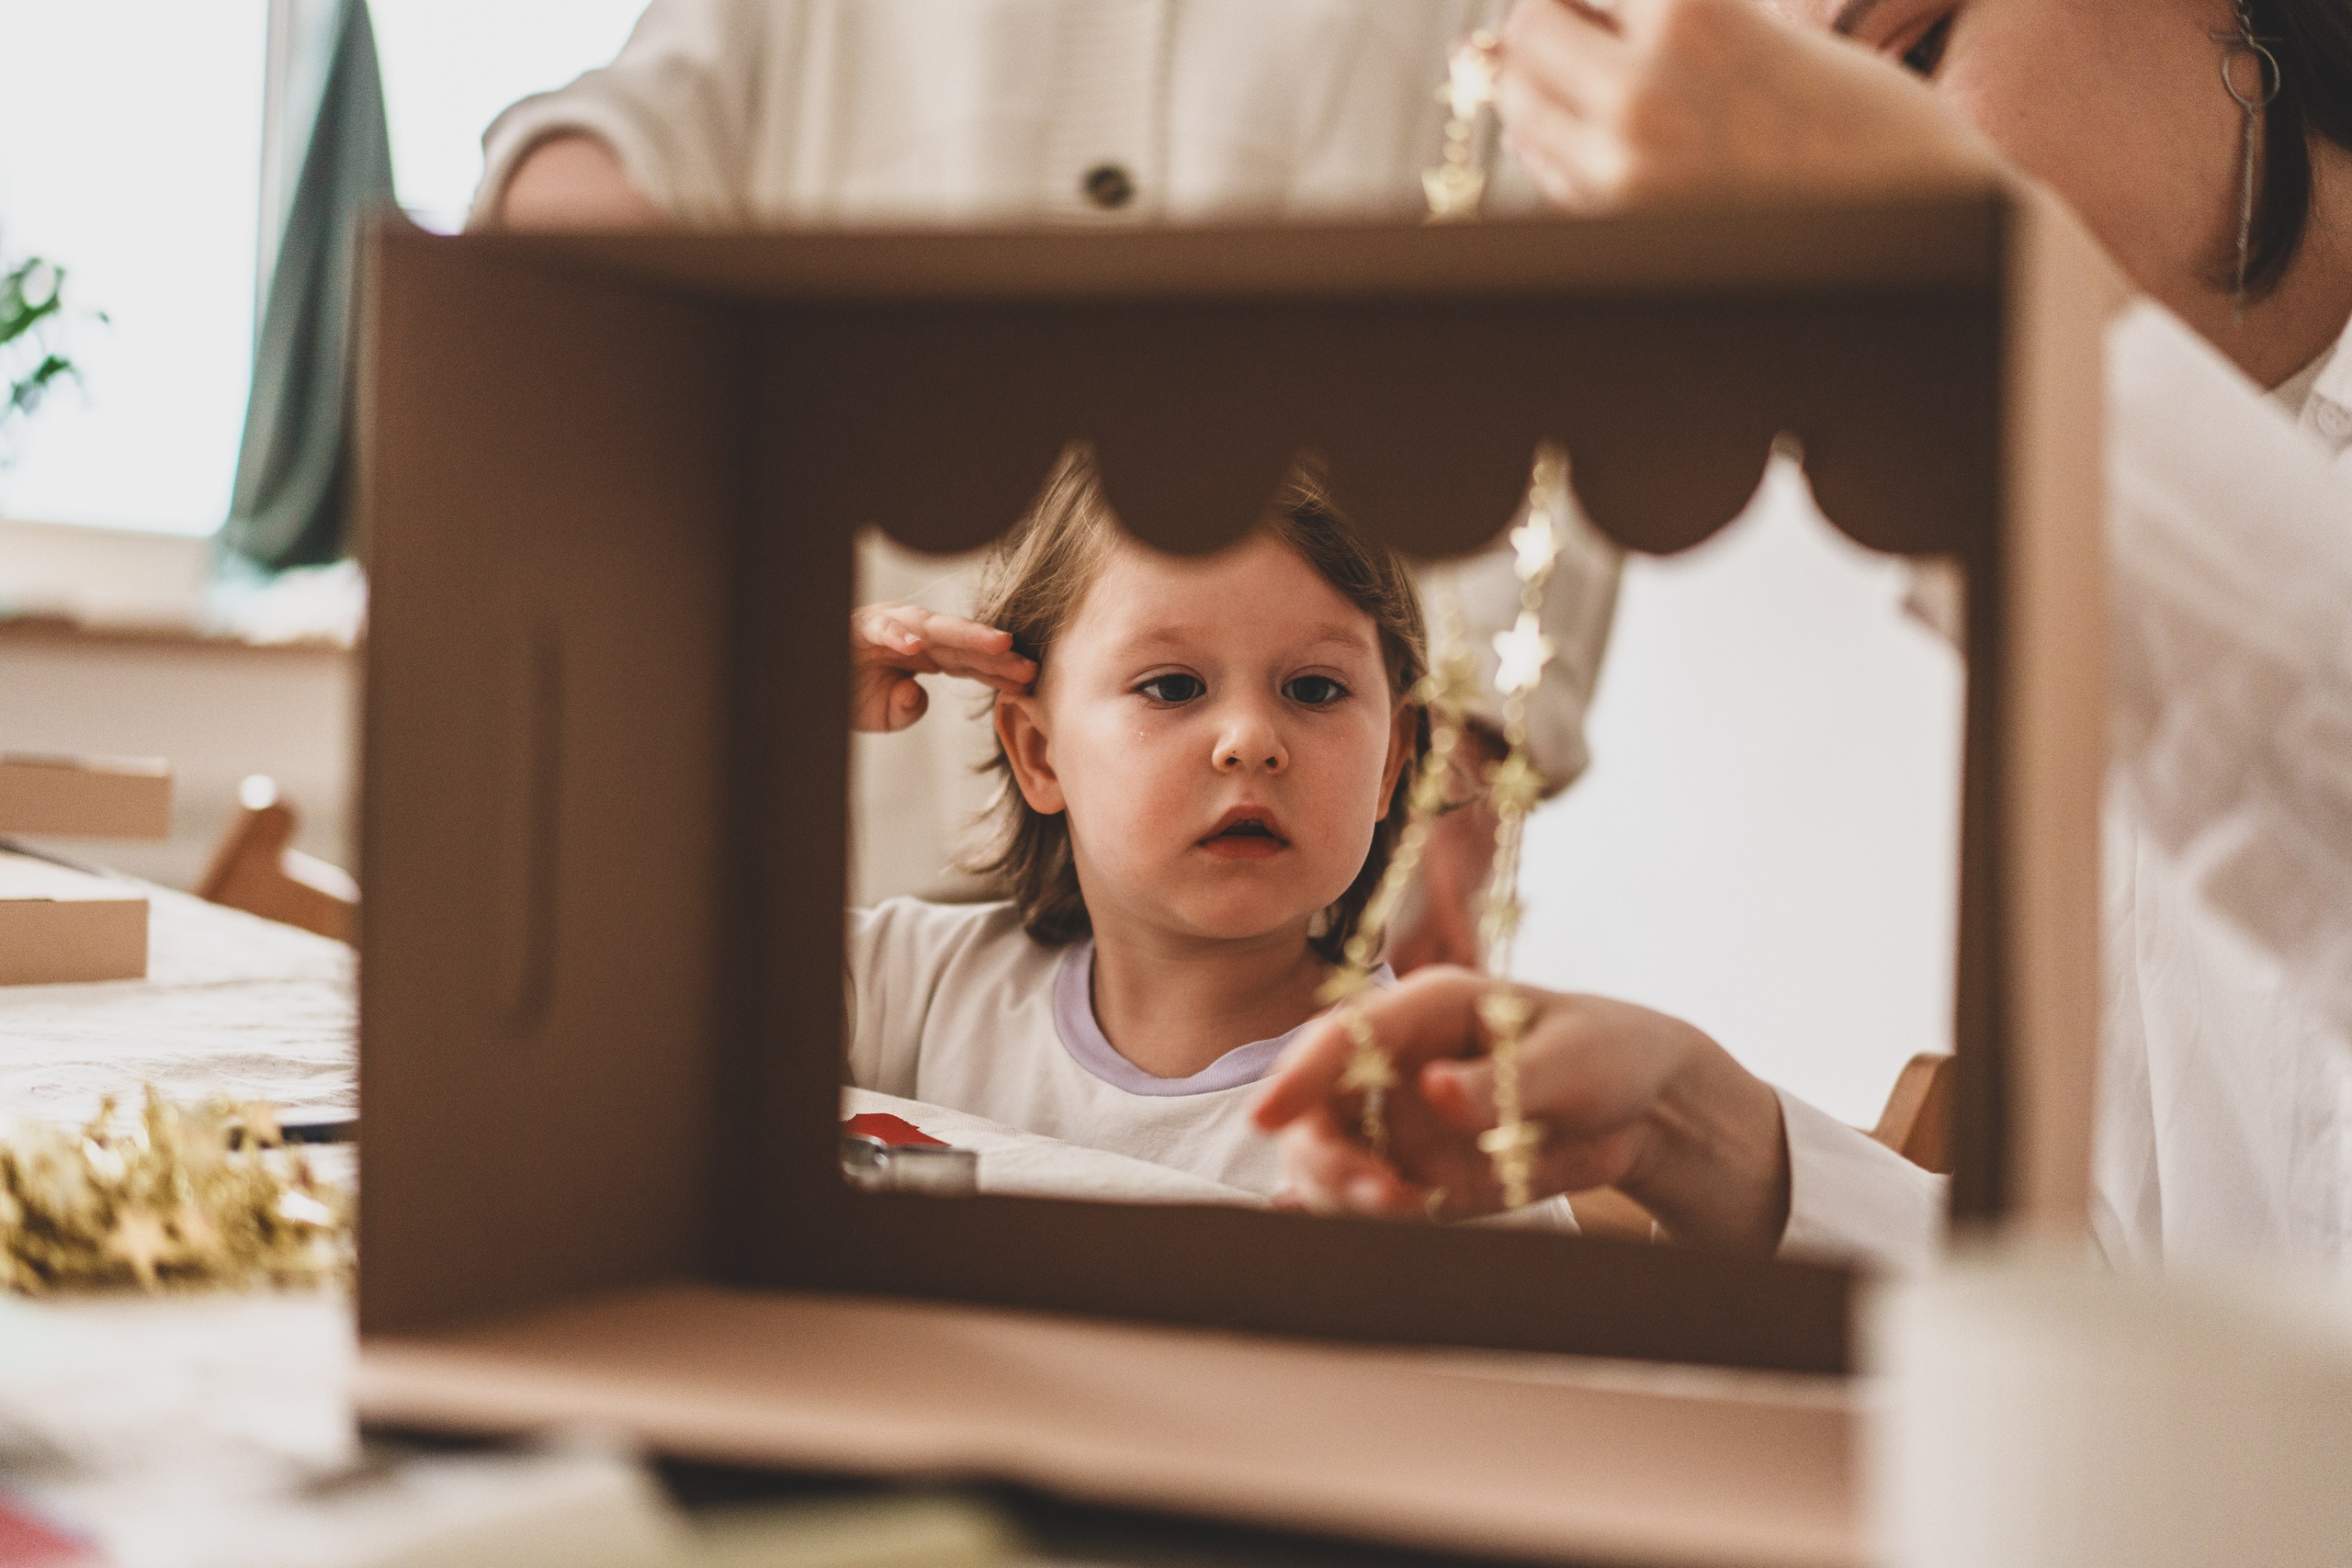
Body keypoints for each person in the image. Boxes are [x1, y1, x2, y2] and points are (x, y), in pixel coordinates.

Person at [1256, 0, 2352, 1273]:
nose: (1826, 229)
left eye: (1913, 53)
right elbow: (2146, 1297)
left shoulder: (2147, 562)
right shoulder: (2108, 593)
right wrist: (1696, 1127)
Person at [471, 0, 1624, 968]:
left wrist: (1462, 751)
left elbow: (1585, 301)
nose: (1237, 743)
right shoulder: (898, 982)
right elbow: (613, 144)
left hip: (1337, 873)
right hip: (876, 799)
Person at [839, 455, 1422, 1198]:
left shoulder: (1430, 1112)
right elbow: (654, 997)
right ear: (1039, 752)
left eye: (1314, 687)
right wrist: (775, 688)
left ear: (1389, 763)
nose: (1249, 739)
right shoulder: (908, 986)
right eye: (1173, 686)